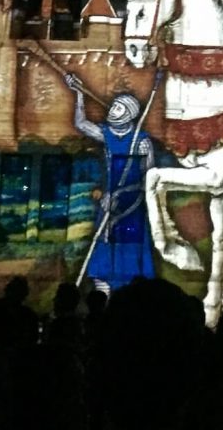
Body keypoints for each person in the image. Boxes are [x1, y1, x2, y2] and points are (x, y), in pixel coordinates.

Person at [65, 74, 155, 289]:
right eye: (113, 106)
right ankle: (103, 292)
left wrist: (124, 196)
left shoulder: (142, 142)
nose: (113, 111)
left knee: (129, 250)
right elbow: (81, 123)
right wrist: (79, 93)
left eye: (119, 108)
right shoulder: (106, 134)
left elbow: (149, 178)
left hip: (131, 207)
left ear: (129, 115)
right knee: (104, 248)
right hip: (109, 203)